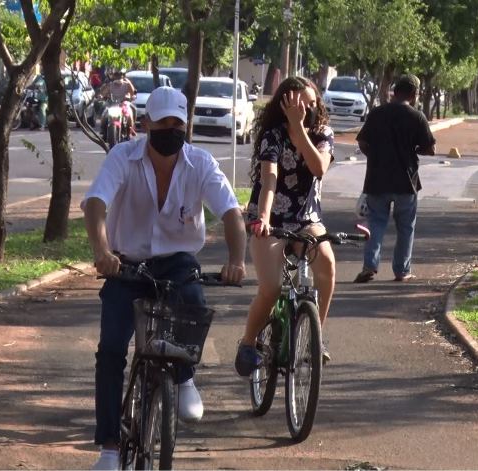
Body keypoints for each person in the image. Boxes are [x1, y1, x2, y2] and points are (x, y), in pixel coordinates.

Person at [83, 86, 247, 470]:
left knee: (194, 301)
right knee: (110, 352)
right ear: (146, 124)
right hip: (128, 265)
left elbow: (231, 213)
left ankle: (186, 378)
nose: (170, 130)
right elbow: (96, 203)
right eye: (162, 123)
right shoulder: (122, 157)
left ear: (185, 125)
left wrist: (237, 260)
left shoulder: (201, 163)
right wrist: (102, 253)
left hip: (176, 262)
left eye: (177, 123)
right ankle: (108, 448)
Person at [234, 76, 336, 375]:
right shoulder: (273, 136)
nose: (305, 110)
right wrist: (263, 219)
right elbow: (269, 181)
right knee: (272, 287)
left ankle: (314, 338)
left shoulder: (322, 134)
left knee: (327, 262)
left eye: (311, 104)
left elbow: (318, 168)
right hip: (271, 219)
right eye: (297, 105)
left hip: (307, 219)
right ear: (284, 105)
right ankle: (249, 342)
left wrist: (300, 129)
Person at [353, 74, 435, 284]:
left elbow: (362, 141)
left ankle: (370, 265)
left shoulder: (377, 113)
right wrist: (414, 149)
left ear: (395, 91)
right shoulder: (417, 117)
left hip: (376, 180)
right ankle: (402, 271)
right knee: (406, 227)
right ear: (414, 94)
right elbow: (430, 148)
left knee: (376, 223)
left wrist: (376, 156)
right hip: (406, 182)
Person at [98, 69, 137, 136]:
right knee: (104, 112)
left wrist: (132, 96)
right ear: (113, 76)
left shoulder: (127, 84)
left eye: (120, 75)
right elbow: (103, 93)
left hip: (124, 103)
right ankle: (103, 128)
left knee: (131, 111)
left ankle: (130, 129)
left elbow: (133, 92)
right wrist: (101, 96)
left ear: (123, 75)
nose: (118, 77)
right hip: (112, 104)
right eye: (116, 75)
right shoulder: (110, 85)